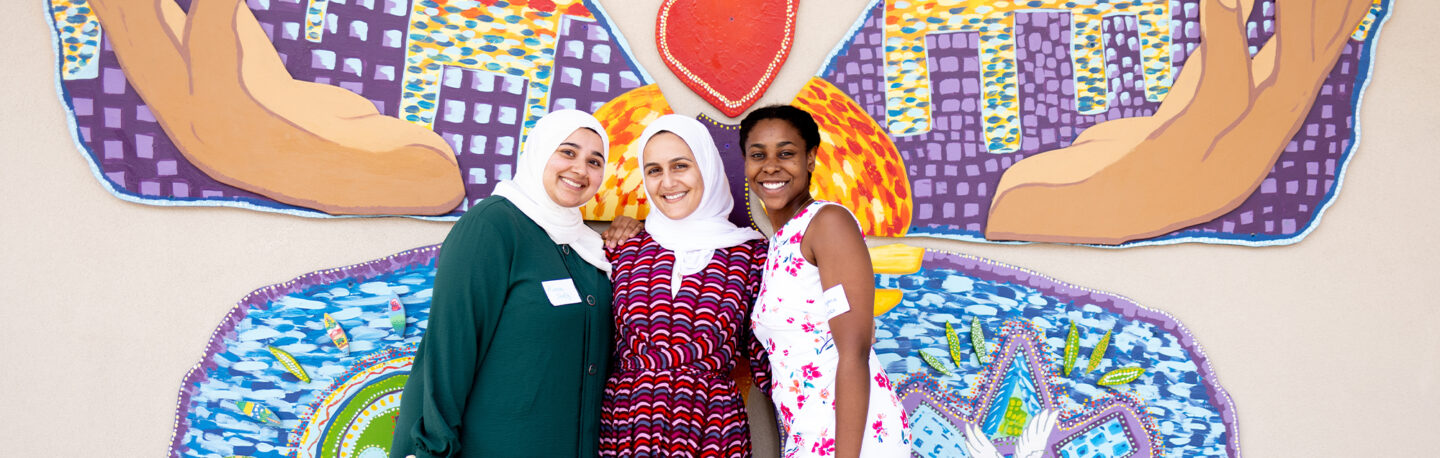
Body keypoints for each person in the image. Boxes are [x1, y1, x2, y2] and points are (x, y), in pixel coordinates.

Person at [389, 109, 614, 457]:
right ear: (540, 151)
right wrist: (433, 448)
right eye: (567, 152)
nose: (580, 169)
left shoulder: (590, 250)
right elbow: (451, 347)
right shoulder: (493, 226)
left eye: (595, 161)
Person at [740, 105, 910, 457]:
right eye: (758, 155)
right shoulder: (781, 241)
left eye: (786, 153)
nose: (770, 166)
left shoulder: (828, 224)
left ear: (811, 159)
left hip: (851, 434)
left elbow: (854, 351)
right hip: (810, 428)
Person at [598, 115, 772, 456]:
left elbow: (773, 354)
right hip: (626, 426)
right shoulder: (622, 249)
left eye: (680, 166)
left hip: (712, 426)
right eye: (653, 170)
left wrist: (839, 335)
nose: (667, 182)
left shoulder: (751, 256)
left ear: (705, 166)